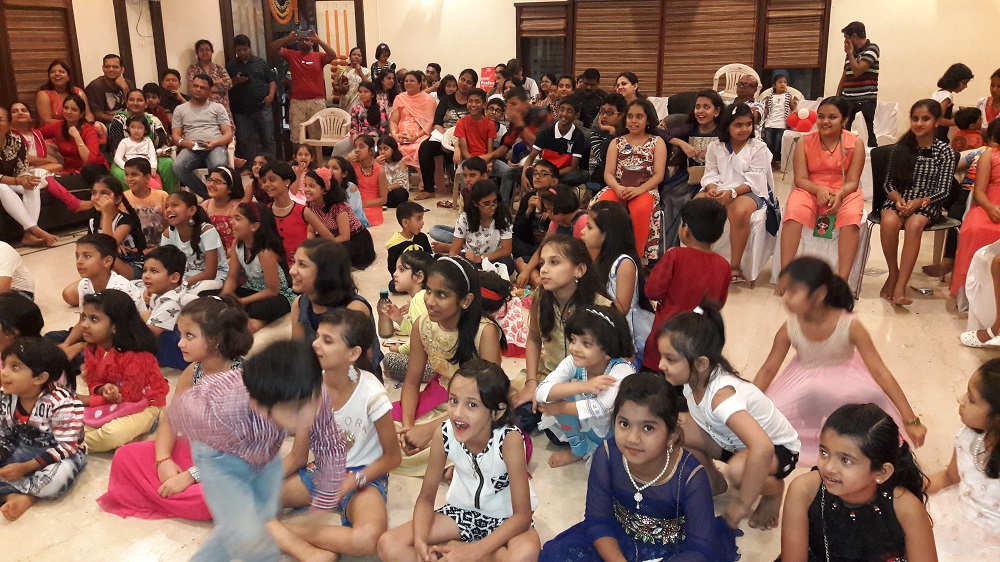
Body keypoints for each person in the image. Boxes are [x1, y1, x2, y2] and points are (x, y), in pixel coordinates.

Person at [167, 339, 346, 562]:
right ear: (260, 406)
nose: (309, 413)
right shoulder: (222, 408)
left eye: (311, 401)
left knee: (253, 521)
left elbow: (331, 447)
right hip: (219, 457)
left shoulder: (314, 395)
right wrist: (191, 471)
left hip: (264, 455)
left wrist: (323, 501)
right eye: (294, 410)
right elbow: (179, 414)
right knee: (253, 540)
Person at [539, 372, 740, 562]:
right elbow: (598, 520)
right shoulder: (607, 455)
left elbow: (700, 548)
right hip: (616, 537)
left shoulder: (691, 476)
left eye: (648, 428)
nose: (633, 438)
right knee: (557, 556)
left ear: (671, 436)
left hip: (675, 550)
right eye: (624, 424)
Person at [755, 257, 926, 466]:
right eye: (785, 291)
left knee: (874, 398)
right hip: (804, 381)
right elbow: (768, 370)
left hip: (848, 379)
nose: (786, 298)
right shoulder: (790, 327)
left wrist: (910, 419)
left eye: (793, 291)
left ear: (819, 294)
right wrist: (747, 404)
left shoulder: (850, 325)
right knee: (771, 415)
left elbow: (880, 372)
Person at [96, 296, 252, 521]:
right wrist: (163, 460)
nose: (180, 343)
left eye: (189, 336)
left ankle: (171, 496)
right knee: (124, 456)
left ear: (216, 339)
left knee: (212, 498)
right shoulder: (194, 371)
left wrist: (190, 476)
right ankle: (172, 496)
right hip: (199, 450)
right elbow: (171, 420)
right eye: (181, 335)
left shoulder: (241, 380)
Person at [268, 309, 399, 561]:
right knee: (248, 500)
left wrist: (349, 483)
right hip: (322, 472)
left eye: (327, 340)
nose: (315, 344)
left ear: (353, 353)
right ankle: (304, 549)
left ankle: (283, 533)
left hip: (363, 477)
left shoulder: (372, 394)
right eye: (317, 337)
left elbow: (392, 457)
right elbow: (297, 457)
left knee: (369, 538)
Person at [378, 359, 540, 561]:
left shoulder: (509, 439)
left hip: (506, 519)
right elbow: (426, 499)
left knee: (524, 555)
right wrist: (420, 542)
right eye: (453, 401)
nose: (457, 413)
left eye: (472, 405)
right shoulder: (444, 434)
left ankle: (468, 551)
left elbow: (522, 516)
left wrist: (474, 551)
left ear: (497, 411)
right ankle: (469, 553)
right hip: (462, 513)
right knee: (388, 544)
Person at [657, 303, 801, 530]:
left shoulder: (721, 398)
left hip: (777, 449)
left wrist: (741, 505)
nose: (660, 365)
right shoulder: (692, 382)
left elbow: (762, 447)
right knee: (672, 429)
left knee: (739, 473)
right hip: (732, 443)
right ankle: (713, 483)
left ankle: (773, 490)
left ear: (701, 363)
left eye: (671, 359)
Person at [779, 404, 937, 561]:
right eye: (824, 452)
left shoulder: (906, 509)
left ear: (882, 473)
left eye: (846, 460)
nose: (828, 467)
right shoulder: (803, 491)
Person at [393, 258, 504, 464]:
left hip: (475, 407)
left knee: (467, 449)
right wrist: (409, 427)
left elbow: (491, 398)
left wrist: (429, 430)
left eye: (441, 294)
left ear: (465, 300)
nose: (430, 301)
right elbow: (411, 382)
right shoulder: (422, 325)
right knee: (381, 434)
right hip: (437, 397)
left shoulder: (484, 332)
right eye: (428, 290)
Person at [513, 236, 612, 429]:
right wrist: (531, 382)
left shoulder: (601, 308)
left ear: (579, 269)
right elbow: (534, 338)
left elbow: (614, 358)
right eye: (542, 263)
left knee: (571, 430)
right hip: (548, 376)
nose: (544, 269)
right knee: (509, 412)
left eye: (554, 262)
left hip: (587, 385)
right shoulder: (541, 296)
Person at [879, 99, 958, 306]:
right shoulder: (901, 148)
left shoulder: (945, 151)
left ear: (936, 122)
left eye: (925, 119)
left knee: (915, 224)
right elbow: (888, 184)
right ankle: (893, 273)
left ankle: (901, 285)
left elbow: (944, 190)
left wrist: (921, 201)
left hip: (928, 202)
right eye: (915, 118)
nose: (919, 123)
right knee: (888, 221)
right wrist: (898, 199)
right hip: (900, 199)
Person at [535, 305, 635, 467]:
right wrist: (584, 386)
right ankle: (579, 448)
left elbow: (600, 408)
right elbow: (541, 392)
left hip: (615, 435)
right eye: (573, 340)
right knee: (554, 394)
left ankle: (607, 451)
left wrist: (560, 408)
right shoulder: (574, 362)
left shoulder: (621, 371)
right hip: (590, 427)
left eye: (586, 344)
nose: (575, 348)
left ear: (609, 350)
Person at [780, 96, 865, 281]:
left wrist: (840, 194)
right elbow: (800, 179)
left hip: (845, 190)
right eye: (821, 116)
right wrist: (818, 190)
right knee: (794, 212)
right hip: (810, 188)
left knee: (851, 218)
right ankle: (785, 274)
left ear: (844, 120)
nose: (825, 121)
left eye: (832, 117)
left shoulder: (855, 142)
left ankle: (841, 280)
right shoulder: (804, 141)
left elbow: (853, 181)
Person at [0, 338, 85, 522]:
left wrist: (26, 467)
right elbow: (6, 436)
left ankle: (23, 495)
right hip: (23, 448)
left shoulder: (62, 402)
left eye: (15, 367)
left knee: (55, 481)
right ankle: (16, 494)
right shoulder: (7, 398)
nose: (3, 372)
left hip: (61, 454)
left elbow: (68, 446)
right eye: (4, 365)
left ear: (40, 378)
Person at [642, 198, 730, 372]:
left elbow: (652, 291)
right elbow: (718, 303)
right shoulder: (723, 265)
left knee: (654, 378)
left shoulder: (675, 256)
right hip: (699, 339)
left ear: (686, 229)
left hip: (667, 333)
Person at [926, 360, 1000, 558]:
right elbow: (949, 478)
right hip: (954, 519)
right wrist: (906, 486)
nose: (960, 399)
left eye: (972, 399)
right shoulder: (968, 437)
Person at [79, 290, 168, 452]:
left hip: (146, 405)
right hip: (112, 401)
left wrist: (93, 400)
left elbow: (132, 397)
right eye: (84, 317)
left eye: (94, 319)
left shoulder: (137, 355)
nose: (84, 324)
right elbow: (92, 380)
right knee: (69, 419)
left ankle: (71, 444)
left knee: (112, 433)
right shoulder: (93, 348)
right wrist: (102, 389)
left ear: (115, 326)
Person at [698, 103, 774, 284]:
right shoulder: (715, 147)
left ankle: (735, 266)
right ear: (727, 126)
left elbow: (756, 179)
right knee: (697, 206)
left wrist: (732, 192)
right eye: (738, 125)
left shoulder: (758, 147)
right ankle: (702, 260)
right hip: (720, 188)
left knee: (739, 211)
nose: (744, 129)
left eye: (748, 124)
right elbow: (710, 173)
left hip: (749, 191)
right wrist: (712, 189)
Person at [287, 239, 382, 379]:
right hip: (318, 376)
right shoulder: (299, 304)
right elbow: (297, 354)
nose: (292, 271)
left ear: (325, 272)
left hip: (353, 380)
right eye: (294, 262)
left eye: (302, 265)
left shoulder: (354, 308)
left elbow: (362, 366)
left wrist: (327, 386)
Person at [581, 201, 654, 366]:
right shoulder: (601, 259)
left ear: (607, 233)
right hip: (604, 328)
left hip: (622, 336)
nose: (582, 231)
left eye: (589, 227)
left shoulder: (624, 263)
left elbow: (621, 310)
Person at [596, 98, 666, 259]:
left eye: (639, 116)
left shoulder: (657, 142)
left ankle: (635, 258)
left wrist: (639, 190)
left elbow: (659, 175)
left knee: (641, 209)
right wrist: (618, 188)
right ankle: (602, 255)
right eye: (630, 116)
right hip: (618, 187)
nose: (634, 120)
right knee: (603, 206)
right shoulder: (616, 142)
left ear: (648, 120)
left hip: (645, 189)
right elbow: (608, 173)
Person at [660, 90, 725, 249]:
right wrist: (682, 144)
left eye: (706, 107)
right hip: (689, 177)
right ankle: (669, 248)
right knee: (670, 197)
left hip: (716, 179)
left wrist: (713, 150)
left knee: (697, 204)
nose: (700, 111)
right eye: (697, 107)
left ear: (717, 111)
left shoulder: (723, 131)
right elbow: (660, 132)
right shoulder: (692, 128)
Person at [0, 106, 69, 247]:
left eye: (0, 120)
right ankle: (36, 230)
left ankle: (28, 235)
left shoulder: (16, 140)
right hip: (4, 183)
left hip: (13, 179)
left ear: (9, 124)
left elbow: (22, 167)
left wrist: (26, 179)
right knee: (3, 188)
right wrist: (17, 181)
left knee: (33, 185)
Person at [221, 202, 296, 332]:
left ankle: (255, 323)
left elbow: (273, 290)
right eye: (231, 218)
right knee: (214, 296)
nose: (231, 222)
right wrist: (224, 298)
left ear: (254, 226)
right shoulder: (237, 244)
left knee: (262, 308)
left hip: (278, 294)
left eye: (237, 219)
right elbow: (232, 277)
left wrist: (242, 301)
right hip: (252, 288)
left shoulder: (265, 252)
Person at [170, 74, 235, 199]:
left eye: (203, 88)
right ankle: (209, 197)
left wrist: (215, 143)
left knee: (219, 166)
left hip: (215, 147)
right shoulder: (180, 109)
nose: (198, 89)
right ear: (190, 87)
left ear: (210, 91)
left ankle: (217, 197)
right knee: (177, 167)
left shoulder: (217, 108)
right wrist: (186, 143)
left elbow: (228, 134)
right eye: (195, 86)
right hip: (191, 149)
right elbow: (176, 136)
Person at [258, 160, 334, 266]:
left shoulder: (303, 211)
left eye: (272, 179)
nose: (266, 185)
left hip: (300, 267)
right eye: (263, 181)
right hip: (275, 267)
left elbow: (330, 239)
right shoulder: (265, 211)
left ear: (286, 181)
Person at [301, 167, 375, 269]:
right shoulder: (311, 205)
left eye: (312, 186)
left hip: (354, 239)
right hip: (333, 237)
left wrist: (323, 246)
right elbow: (311, 231)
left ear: (325, 190)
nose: (306, 189)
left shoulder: (338, 207)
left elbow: (345, 236)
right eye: (305, 185)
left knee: (329, 253)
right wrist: (308, 247)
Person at [271, 30, 336, 144]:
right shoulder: (292, 55)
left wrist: (318, 40)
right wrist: (289, 38)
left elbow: (332, 55)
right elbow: (274, 47)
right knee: (297, 137)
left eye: (307, 40)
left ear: (312, 42)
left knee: (317, 138)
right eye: (301, 40)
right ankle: (297, 155)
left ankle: (316, 157)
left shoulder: (319, 56)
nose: (304, 42)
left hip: (317, 101)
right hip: (297, 102)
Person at [38, 93, 109, 194]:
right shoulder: (58, 126)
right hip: (69, 170)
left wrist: (77, 137)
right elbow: (36, 134)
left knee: (88, 170)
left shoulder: (89, 130)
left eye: (74, 110)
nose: (68, 112)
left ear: (81, 114)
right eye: (66, 108)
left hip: (93, 169)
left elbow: (90, 160)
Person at [106, 89, 175, 192]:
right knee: (122, 174)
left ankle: (169, 198)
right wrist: (130, 165)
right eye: (131, 100)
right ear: (127, 103)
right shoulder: (119, 120)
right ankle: (131, 201)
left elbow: (163, 143)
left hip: (151, 157)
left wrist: (155, 159)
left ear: (146, 104)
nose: (135, 103)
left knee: (168, 163)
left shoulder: (153, 120)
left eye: (139, 100)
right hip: (126, 159)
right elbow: (116, 149)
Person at [161, 191, 228, 293]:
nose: (169, 210)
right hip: (183, 278)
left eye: (175, 205)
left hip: (212, 279)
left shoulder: (207, 231)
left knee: (195, 293)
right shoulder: (168, 234)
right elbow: (164, 265)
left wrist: (182, 285)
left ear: (191, 210)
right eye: (166, 207)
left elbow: (210, 273)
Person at [381, 251, 434, 381]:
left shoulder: (418, 300)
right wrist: (400, 320)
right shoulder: (424, 295)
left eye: (402, 270)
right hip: (438, 359)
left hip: (435, 365)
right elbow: (416, 331)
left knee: (389, 359)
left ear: (419, 277)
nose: (394, 274)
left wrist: (400, 349)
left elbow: (420, 338)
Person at [227, 34, 277, 166]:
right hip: (241, 110)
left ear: (250, 48)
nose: (242, 53)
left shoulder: (261, 62)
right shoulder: (231, 66)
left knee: (268, 138)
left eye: (245, 49)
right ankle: (250, 167)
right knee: (245, 140)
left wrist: (271, 96)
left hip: (262, 106)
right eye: (239, 50)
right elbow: (226, 85)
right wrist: (236, 80)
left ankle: (272, 166)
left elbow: (271, 80)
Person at [448, 180, 515, 272]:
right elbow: (454, 251)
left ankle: (478, 274)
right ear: (475, 203)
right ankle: (481, 274)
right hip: (470, 258)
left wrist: (481, 258)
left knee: (508, 264)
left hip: (492, 258)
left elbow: (506, 250)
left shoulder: (503, 217)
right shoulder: (465, 218)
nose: (492, 207)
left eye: (495, 202)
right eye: (486, 204)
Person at [88, 175, 146, 279]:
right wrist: (114, 246)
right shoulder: (93, 222)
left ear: (118, 199)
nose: (97, 197)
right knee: (102, 270)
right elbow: (89, 250)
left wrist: (106, 214)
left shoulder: (125, 220)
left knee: (105, 260)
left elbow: (107, 248)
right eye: (94, 193)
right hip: (109, 265)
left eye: (104, 193)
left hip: (132, 266)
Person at [391, 71, 437, 199]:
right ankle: (394, 182)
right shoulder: (400, 98)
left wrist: (416, 136)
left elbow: (430, 123)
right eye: (406, 81)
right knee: (391, 146)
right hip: (401, 133)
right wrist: (395, 135)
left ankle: (424, 182)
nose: (408, 83)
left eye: (412, 81)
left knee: (420, 148)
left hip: (421, 133)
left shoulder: (428, 100)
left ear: (420, 83)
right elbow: (394, 121)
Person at [837, 21, 881, 148]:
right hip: (848, 98)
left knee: (868, 133)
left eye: (846, 38)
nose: (845, 41)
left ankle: (871, 157)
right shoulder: (850, 54)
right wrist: (837, 96)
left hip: (866, 99)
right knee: (844, 132)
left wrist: (850, 54)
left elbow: (857, 71)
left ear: (854, 36)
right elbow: (845, 75)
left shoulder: (872, 49)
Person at [123, 158, 169, 248]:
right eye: (126, 175)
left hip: (160, 248)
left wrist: (159, 247)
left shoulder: (162, 196)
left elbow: (169, 225)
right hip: (132, 249)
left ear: (147, 178)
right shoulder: (123, 198)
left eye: (134, 175)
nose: (129, 179)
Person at [385, 201, 432, 287]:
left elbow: (429, 256)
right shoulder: (395, 245)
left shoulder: (422, 237)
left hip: (422, 274)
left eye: (422, 218)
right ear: (405, 223)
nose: (422, 222)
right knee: (392, 286)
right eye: (419, 219)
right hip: (406, 277)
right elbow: (392, 267)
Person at [35, 59, 94, 124]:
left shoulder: (78, 92)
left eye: (61, 71)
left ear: (69, 77)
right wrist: (71, 125)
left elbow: (89, 115)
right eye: (52, 72)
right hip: (55, 128)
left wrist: (84, 125)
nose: (57, 74)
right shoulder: (43, 94)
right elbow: (46, 121)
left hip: (79, 126)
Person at [587, 92, 627, 190]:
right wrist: (611, 133)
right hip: (601, 177)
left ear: (621, 115)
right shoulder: (596, 131)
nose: (604, 116)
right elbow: (602, 159)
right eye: (602, 111)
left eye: (610, 113)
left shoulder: (628, 132)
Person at [199, 166, 242, 250]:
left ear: (230, 188)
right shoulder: (204, 206)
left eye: (217, 182)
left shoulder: (238, 207)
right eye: (209, 180)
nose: (211, 185)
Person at [351, 134, 390, 226]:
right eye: (355, 147)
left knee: (364, 217)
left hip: (371, 207)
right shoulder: (353, 166)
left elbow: (383, 199)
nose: (357, 150)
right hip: (355, 203)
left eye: (361, 147)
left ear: (371, 151)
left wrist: (364, 204)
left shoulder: (379, 171)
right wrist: (347, 161)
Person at [85, 54, 135, 124]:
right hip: (107, 123)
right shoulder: (95, 86)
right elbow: (99, 115)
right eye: (107, 67)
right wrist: (122, 119)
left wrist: (125, 88)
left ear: (122, 69)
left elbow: (133, 107)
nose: (111, 69)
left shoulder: (127, 83)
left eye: (115, 67)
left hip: (128, 120)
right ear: (103, 68)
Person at [762, 71, 799, 164]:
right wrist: (763, 119)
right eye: (780, 82)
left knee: (777, 145)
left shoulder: (788, 96)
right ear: (774, 85)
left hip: (781, 124)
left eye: (785, 82)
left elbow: (792, 107)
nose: (783, 84)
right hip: (769, 123)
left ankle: (777, 160)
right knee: (769, 143)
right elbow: (767, 109)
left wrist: (795, 111)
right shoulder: (770, 96)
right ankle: (770, 161)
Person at [932, 63, 975, 141]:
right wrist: (956, 122)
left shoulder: (938, 93)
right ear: (955, 80)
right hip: (939, 136)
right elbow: (938, 119)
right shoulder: (947, 96)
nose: (965, 86)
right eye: (964, 83)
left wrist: (956, 110)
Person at [454, 87, 496, 164]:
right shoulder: (461, 123)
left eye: (477, 101)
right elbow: (464, 152)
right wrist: (474, 164)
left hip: (486, 159)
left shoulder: (490, 124)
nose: (473, 105)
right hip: (468, 160)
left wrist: (490, 163)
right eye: (470, 101)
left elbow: (490, 151)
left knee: (506, 169)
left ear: (484, 105)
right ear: (467, 104)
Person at [376, 136, 411, 206]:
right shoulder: (377, 162)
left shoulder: (401, 163)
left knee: (400, 194)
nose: (382, 152)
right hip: (381, 191)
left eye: (385, 148)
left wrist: (388, 189)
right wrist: (375, 164)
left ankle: (381, 202)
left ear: (393, 149)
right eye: (380, 149)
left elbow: (401, 183)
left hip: (393, 190)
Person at [333, 46, 369, 112]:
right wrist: (339, 89)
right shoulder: (342, 70)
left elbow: (369, 87)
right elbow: (335, 86)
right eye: (354, 54)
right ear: (349, 57)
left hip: (361, 104)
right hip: (345, 103)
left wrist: (360, 73)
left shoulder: (366, 72)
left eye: (359, 55)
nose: (356, 57)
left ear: (362, 58)